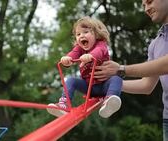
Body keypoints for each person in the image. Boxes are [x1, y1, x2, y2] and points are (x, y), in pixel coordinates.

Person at [94, 0, 168, 140]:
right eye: (143, 5)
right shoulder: (155, 45)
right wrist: (109, 86)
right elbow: (146, 85)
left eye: (149, 1)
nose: (146, 8)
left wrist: (121, 69)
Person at [47, 16, 123, 118]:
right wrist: (67, 59)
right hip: (89, 87)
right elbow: (73, 54)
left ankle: (109, 101)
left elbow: (99, 52)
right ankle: (64, 105)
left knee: (117, 79)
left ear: (96, 34)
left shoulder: (101, 45)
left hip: (104, 85)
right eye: (78, 34)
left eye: (85, 32)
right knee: (70, 80)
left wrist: (91, 56)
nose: (81, 36)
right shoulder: (79, 48)